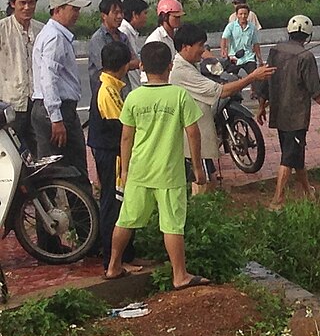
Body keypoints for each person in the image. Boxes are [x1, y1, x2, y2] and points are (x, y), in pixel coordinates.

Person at [104, 41, 209, 289]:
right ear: (170, 67)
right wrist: (197, 168)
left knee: (126, 220)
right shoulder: (179, 95)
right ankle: (179, 275)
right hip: (169, 173)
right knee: (172, 224)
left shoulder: (133, 97)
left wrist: (126, 169)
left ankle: (113, 266)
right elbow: (193, 133)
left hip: (139, 171)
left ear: (141, 66)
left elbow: (126, 137)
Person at [170, 23, 275, 194]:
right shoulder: (182, 71)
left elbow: (210, 63)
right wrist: (252, 77)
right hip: (193, 136)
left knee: (206, 177)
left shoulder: (191, 64)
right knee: (200, 181)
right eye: (199, 46)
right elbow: (222, 91)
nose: (202, 50)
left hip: (198, 132)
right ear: (185, 47)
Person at [256, 15, 320, 210]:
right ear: (307, 36)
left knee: (296, 154)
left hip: (278, 112)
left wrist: (261, 106)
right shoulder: (306, 57)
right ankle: (277, 199)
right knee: (288, 156)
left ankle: (307, 191)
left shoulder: (275, 51)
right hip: (295, 117)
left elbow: (264, 81)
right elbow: (315, 91)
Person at [31, 0, 92, 190]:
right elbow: (48, 78)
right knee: (73, 171)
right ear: (58, 10)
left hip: (50, 109)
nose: (77, 14)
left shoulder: (52, 34)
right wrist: (56, 118)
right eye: (73, 9)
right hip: (56, 111)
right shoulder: (55, 37)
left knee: (49, 173)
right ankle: (84, 219)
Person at [94, 41, 138, 272]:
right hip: (111, 155)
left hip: (112, 152)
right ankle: (113, 261)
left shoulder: (111, 87)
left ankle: (126, 257)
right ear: (124, 65)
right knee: (113, 205)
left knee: (120, 204)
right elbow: (122, 128)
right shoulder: (107, 92)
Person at [0, 0, 44, 155]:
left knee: (38, 152)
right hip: (10, 103)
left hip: (36, 103)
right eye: (22, 3)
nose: (27, 7)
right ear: (13, 4)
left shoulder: (42, 30)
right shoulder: (2, 29)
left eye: (31, 3)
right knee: (12, 153)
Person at [220, 4, 262, 76]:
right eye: (241, 14)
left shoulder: (252, 27)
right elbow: (224, 38)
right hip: (234, 57)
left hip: (249, 57)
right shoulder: (231, 26)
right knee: (230, 79)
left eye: (245, 14)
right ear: (237, 15)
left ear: (248, 14)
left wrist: (260, 59)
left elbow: (256, 44)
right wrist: (223, 50)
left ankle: (253, 87)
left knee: (255, 78)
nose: (243, 16)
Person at [120, 0, 149, 90]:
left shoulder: (131, 32)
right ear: (134, 14)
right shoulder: (123, 32)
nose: (146, 17)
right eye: (145, 13)